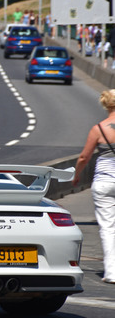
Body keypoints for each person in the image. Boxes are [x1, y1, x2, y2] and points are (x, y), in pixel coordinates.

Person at [73, 89, 115, 284]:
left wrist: (77, 175)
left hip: (104, 181)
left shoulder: (98, 129)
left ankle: (112, 272)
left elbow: (84, 157)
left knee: (108, 227)